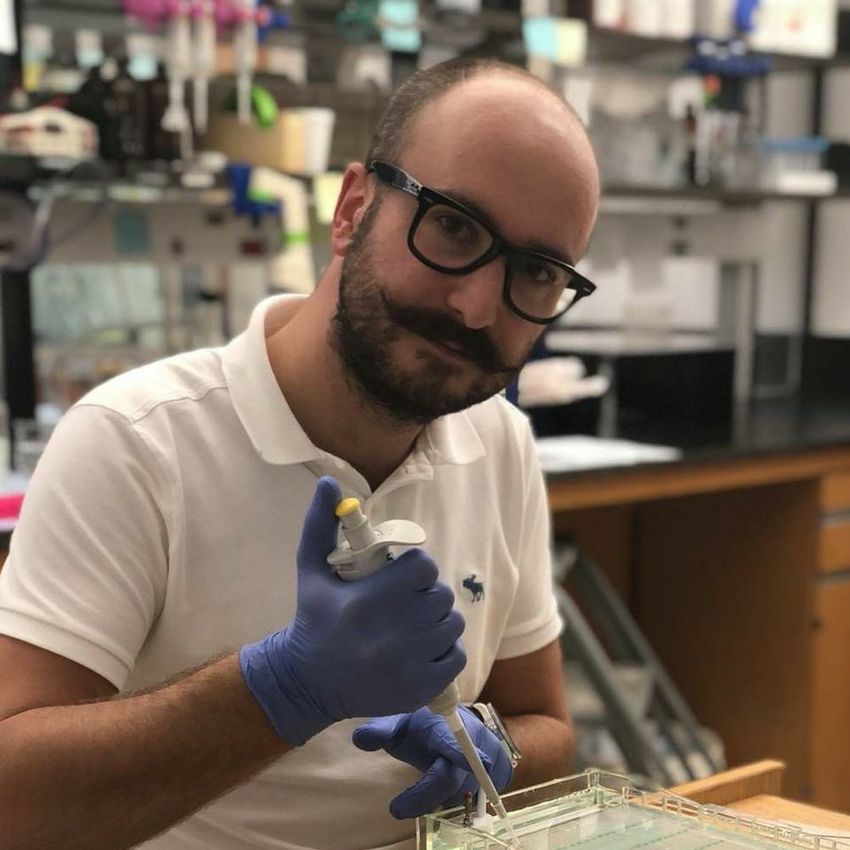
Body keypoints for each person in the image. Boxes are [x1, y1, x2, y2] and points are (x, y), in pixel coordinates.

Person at [0, 57, 600, 850]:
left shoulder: (499, 440)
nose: (476, 304)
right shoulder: (135, 440)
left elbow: (549, 728)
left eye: (536, 272)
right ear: (353, 208)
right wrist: (279, 690)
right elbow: (15, 804)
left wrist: (493, 745)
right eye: (453, 225)